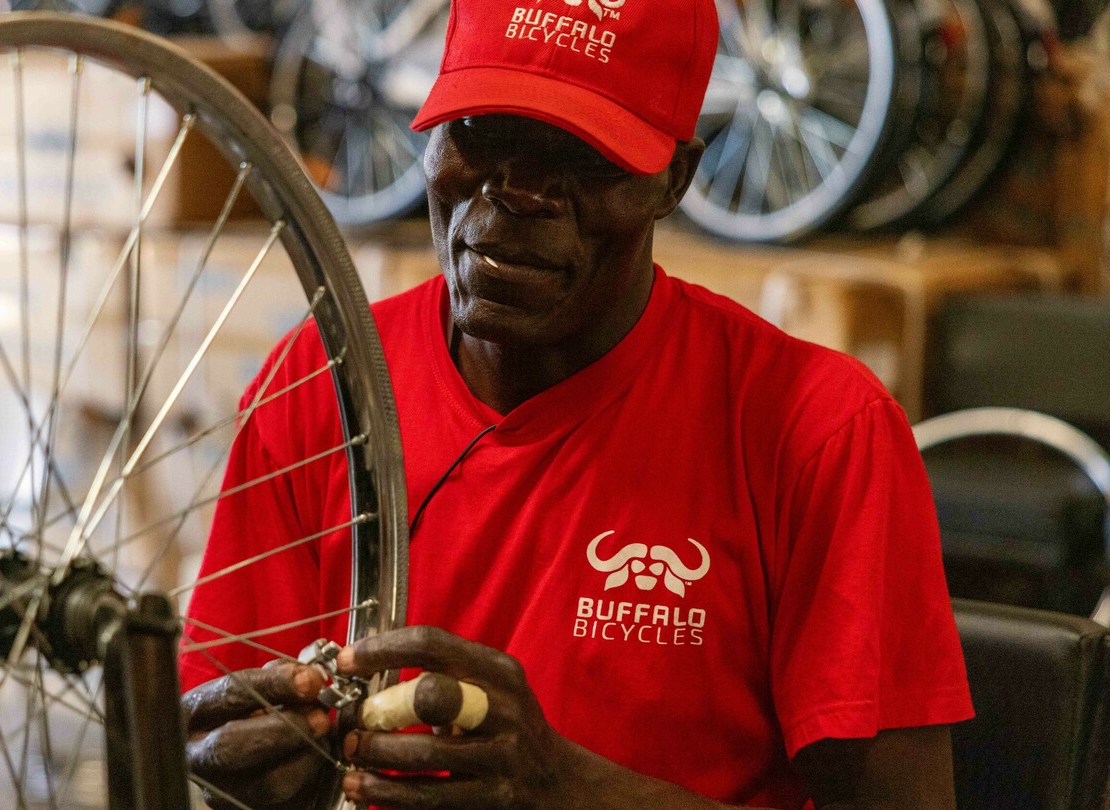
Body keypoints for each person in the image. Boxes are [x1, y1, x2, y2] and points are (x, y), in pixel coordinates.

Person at [178, 0, 974, 806]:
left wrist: (567, 789)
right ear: (429, 133)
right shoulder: (321, 380)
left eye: (584, 156)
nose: (520, 192)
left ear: (674, 179)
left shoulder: (819, 433)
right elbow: (220, 744)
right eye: (484, 132)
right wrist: (246, 776)